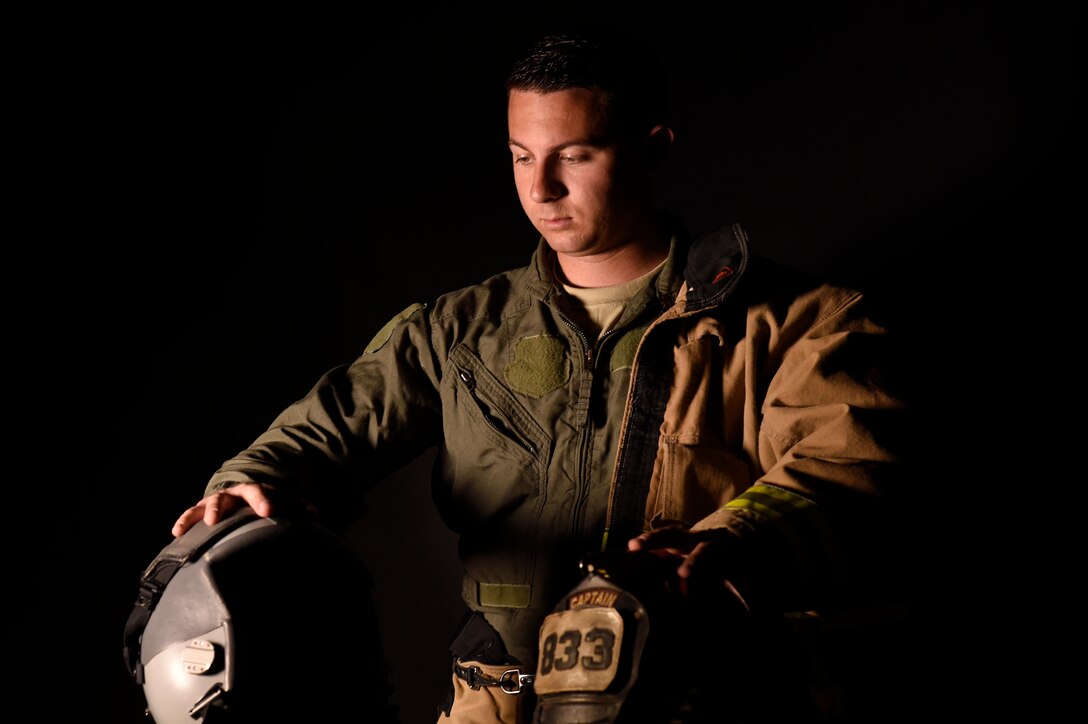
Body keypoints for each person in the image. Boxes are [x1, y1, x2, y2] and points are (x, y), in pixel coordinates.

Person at [170, 27, 912, 723]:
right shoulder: (458, 332)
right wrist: (252, 482)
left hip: (698, 697)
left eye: (575, 156)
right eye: (522, 157)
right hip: (496, 704)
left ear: (652, 148)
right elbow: (330, 428)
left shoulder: (797, 323)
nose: (542, 188)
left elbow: (847, 467)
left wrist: (728, 544)